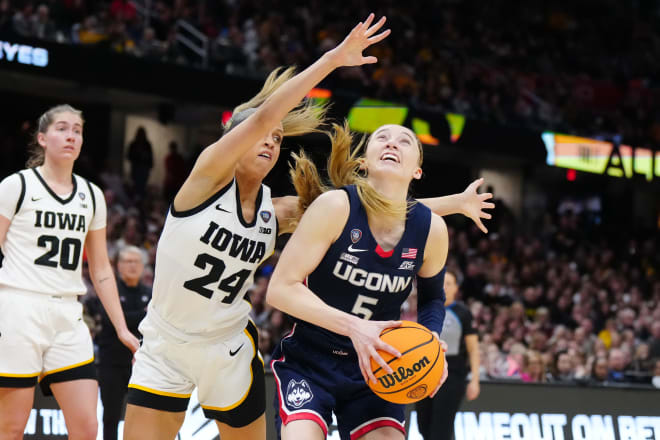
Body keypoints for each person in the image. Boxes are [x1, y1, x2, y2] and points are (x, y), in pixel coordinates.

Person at [124, 13, 492, 440]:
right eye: (259, 133)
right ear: (229, 139)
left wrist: (454, 204)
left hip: (228, 344)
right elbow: (264, 120)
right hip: (167, 341)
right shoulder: (204, 181)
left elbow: (369, 209)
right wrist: (334, 59)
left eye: (278, 138)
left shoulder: (275, 210)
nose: (268, 140)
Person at [267, 114, 457, 439]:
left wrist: (431, 339)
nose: (392, 142)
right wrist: (355, 328)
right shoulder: (335, 207)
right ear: (365, 162)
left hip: (380, 366)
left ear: (417, 171)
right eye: (381, 137)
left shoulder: (433, 230)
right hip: (311, 360)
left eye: (405, 140)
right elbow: (280, 290)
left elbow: (433, 299)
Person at [0, 104, 140, 440]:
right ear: (42, 138)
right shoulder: (15, 186)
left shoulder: (92, 196)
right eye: (63, 128)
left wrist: (122, 328)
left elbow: (102, 270)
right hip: (19, 308)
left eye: (77, 130)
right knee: (11, 426)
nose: (71, 136)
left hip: (67, 314)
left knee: (87, 427)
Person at [415, 269, 480, 440]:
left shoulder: (463, 313)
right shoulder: (425, 309)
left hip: (453, 375)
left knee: (441, 428)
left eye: (449, 283)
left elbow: (473, 350)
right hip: (425, 371)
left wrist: (475, 380)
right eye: (441, 282)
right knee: (423, 425)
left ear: (456, 288)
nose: (444, 286)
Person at [97, 245, 151, 440]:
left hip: (143, 363)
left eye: (136, 261)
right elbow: (110, 320)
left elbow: (154, 321)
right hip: (112, 363)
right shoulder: (109, 291)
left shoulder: (150, 292)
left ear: (144, 266)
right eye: (127, 261)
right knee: (110, 415)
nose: (132, 266)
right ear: (118, 266)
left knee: (145, 415)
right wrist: (141, 315)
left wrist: (128, 317)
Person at [126, 126, 153, 198]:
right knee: (136, 186)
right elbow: (129, 156)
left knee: (142, 187)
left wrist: (148, 165)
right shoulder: (134, 144)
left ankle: (141, 200)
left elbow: (150, 157)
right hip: (136, 168)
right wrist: (137, 154)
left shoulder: (147, 145)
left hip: (144, 169)